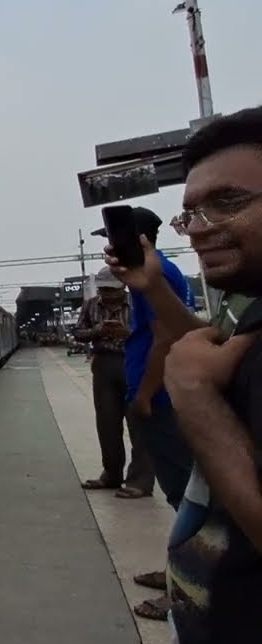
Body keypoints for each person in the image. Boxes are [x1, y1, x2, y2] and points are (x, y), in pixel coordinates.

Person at [110, 106, 262, 644]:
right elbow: (208, 340)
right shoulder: (252, 311)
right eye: (190, 214)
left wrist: (194, 398)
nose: (200, 229)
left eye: (228, 202)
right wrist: (152, 288)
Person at [97, 205, 197, 621]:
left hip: (158, 397)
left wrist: (145, 395)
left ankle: (186, 592)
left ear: (141, 239)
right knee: (181, 494)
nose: (111, 243)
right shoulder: (150, 278)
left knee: (184, 496)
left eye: (120, 236)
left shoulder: (161, 276)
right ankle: (178, 571)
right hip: (156, 392)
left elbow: (165, 339)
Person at [74, 266, 153, 498]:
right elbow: (78, 332)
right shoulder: (91, 305)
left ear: (123, 287)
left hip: (133, 362)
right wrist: (99, 330)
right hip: (104, 364)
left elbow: (153, 334)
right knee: (107, 423)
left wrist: (125, 333)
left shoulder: (138, 303)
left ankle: (140, 480)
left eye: (112, 290)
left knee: (137, 424)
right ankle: (111, 474)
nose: (107, 294)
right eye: (104, 290)